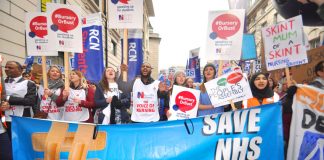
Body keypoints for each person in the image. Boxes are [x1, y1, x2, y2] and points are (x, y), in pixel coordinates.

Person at [1, 61, 37, 138]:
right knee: (7, 146)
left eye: (10, 68)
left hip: (22, 119)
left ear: (20, 70)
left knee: (21, 143)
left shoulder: (29, 83)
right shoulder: (2, 83)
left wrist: (7, 98)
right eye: (6, 67)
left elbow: (30, 101)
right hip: (4, 120)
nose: (7, 69)